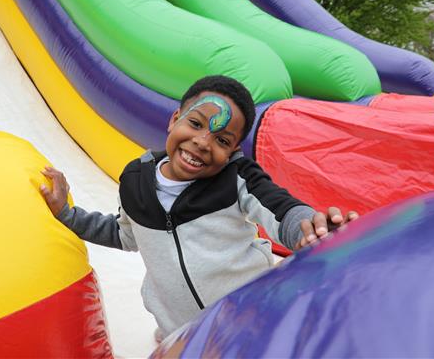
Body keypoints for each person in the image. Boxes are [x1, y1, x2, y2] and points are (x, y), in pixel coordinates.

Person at [40, 75, 358, 342]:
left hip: (249, 322)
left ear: (233, 151)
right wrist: (67, 215)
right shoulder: (135, 181)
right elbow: (124, 234)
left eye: (222, 140)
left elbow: (280, 209)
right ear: (174, 119)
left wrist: (309, 227)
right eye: (195, 123)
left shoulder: (237, 178)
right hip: (181, 333)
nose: (203, 142)